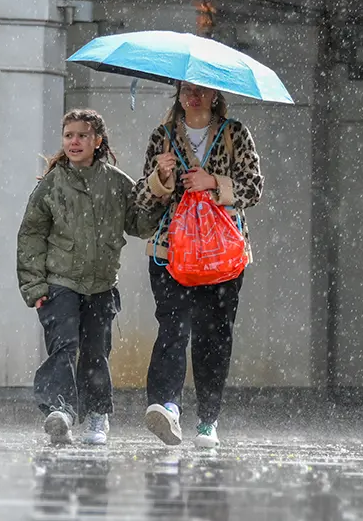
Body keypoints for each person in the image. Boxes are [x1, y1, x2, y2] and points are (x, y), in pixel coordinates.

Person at [132, 82, 265, 449]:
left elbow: (253, 188)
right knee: (172, 328)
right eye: (188, 89)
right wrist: (160, 179)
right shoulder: (162, 136)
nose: (195, 96)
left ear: (216, 95)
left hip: (222, 253)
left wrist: (214, 183)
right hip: (171, 250)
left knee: (214, 335)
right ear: (177, 93)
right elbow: (142, 199)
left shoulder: (235, 134)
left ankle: (208, 419)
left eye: (203, 90)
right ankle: (167, 406)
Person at [17, 108, 156, 446]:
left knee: (95, 352)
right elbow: (31, 234)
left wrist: (159, 196)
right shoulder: (52, 184)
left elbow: (139, 225)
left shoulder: (118, 182)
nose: (74, 141)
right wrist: (33, 285)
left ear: (97, 141)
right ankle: (61, 409)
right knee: (64, 346)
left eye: (82, 135)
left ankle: (97, 415)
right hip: (60, 282)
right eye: (68, 136)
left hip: (101, 286)